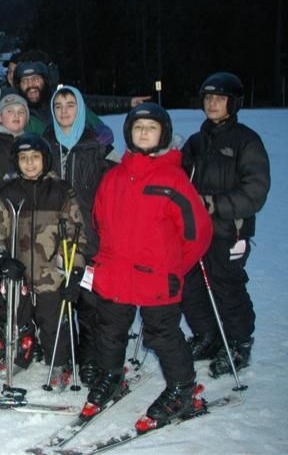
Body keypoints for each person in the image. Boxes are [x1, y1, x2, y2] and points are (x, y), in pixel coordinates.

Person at [78, 103, 213, 428]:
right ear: (128, 133)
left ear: (163, 134)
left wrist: (174, 266)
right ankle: (111, 377)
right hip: (115, 272)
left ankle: (182, 389)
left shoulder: (173, 178)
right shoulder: (114, 177)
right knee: (109, 330)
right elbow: (98, 219)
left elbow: (198, 231)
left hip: (157, 276)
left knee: (161, 334)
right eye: (138, 127)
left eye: (151, 128)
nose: (143, 133)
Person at [181, 72, 270, 377]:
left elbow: (256, 189)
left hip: (229, 229)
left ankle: (239, 341)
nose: (212, 103)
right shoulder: (195, 142)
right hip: (195, 231)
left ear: (233, 103)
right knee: (191, 285)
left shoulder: (246, 140)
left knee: (227, 285)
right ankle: (208, 336)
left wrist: (216, 204)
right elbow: (179, 180)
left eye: (219, 99)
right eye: (208, 98)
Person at [0, 134, 88, 385]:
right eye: (23, 158)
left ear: (45, 160)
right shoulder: (8, 193)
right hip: (18, 274)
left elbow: (76, 233)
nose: (29, 164)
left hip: (50, 273)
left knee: (52, 321)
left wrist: (74, 268)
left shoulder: (61, 192)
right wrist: (1, 258)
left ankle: (58, 362)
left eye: (35, 158)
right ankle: (20, 354)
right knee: (17, 318)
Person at [44, 85, 118, 385]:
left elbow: (117, 186)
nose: (64, 111)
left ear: (81, 109)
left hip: (90, 234)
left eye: (70, 105)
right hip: (51, 235)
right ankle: (63, 354)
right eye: (59, 105)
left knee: (89, 301)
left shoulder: (98, 144)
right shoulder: (44, 144)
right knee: (58, 299)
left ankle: (88, 358)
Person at [15, 62, 113, 147]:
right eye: (25, 81)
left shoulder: (64, 101)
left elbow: (93, 121)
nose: (31, 85)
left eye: (36, 79)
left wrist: (101, 129)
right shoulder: (19, 114)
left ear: (46, 81)